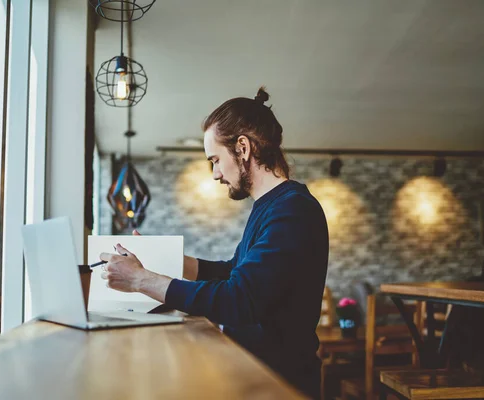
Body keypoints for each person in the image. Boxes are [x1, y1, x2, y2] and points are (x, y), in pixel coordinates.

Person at [99, 87, 329, 398]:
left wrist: (141, 280)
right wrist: (169, 259)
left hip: (278, 385)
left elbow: (239, 299)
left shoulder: (293, 209)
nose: (215, 174)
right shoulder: (271, 206)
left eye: (215, 160)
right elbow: (235, 272)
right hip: (257, 374)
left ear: (243, 148)